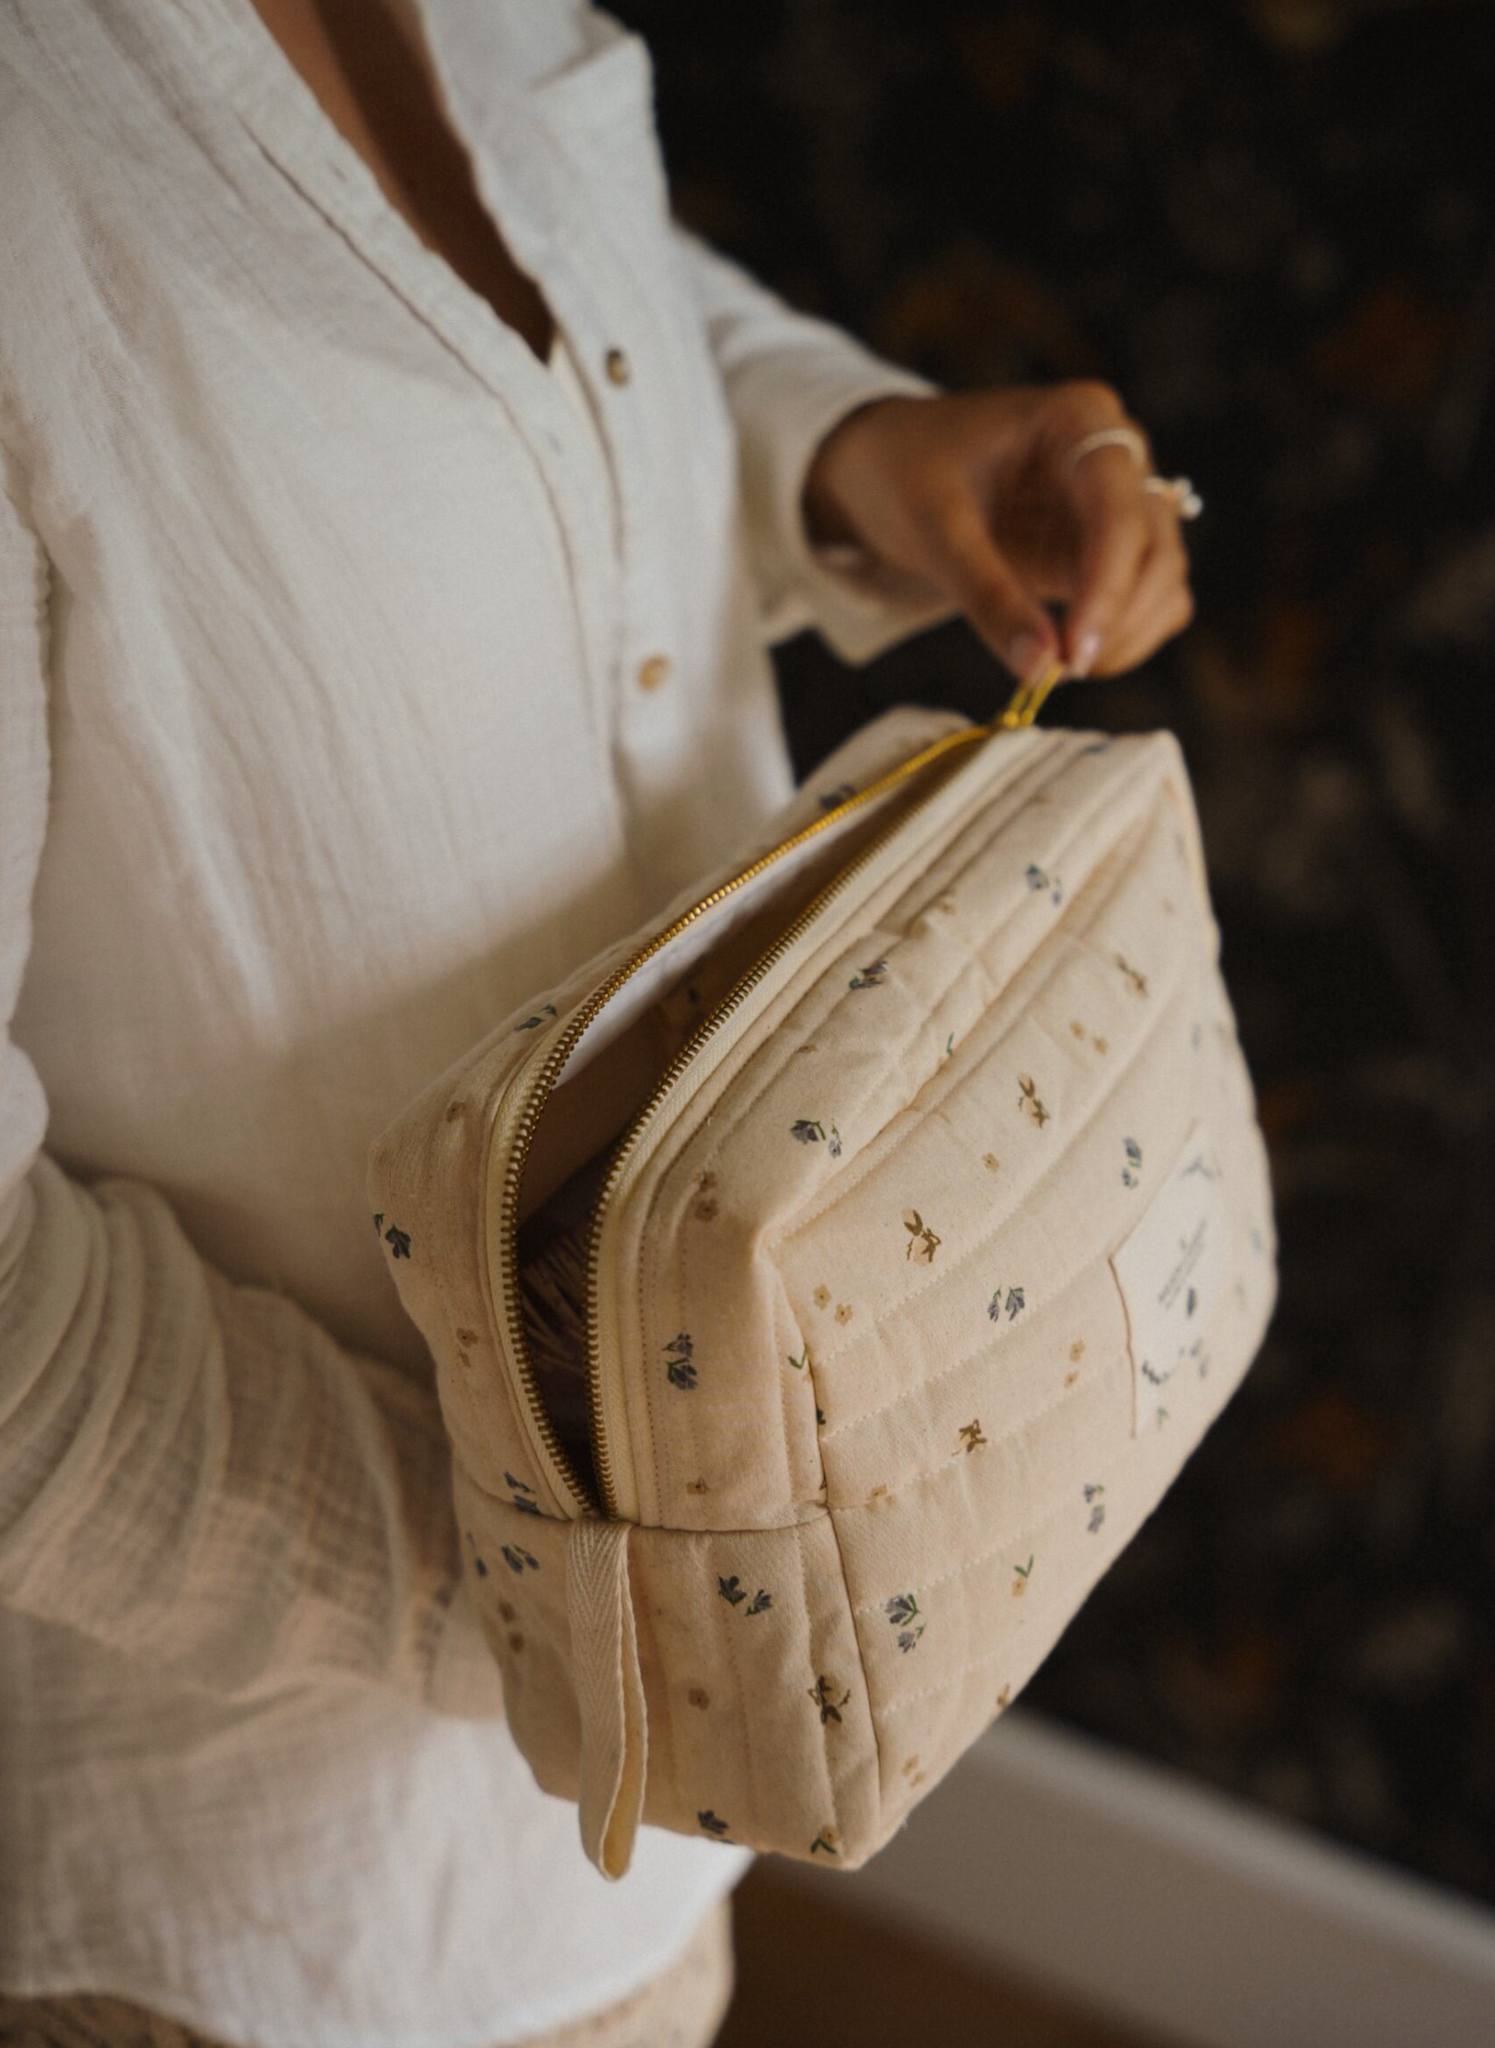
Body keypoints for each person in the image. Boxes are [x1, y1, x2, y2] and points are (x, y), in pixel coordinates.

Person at [0, 2, 1197, 2044]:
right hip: (288, 1924)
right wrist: (574, 1590)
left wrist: (838, 443)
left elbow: (556, 294)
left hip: (666, 1814)